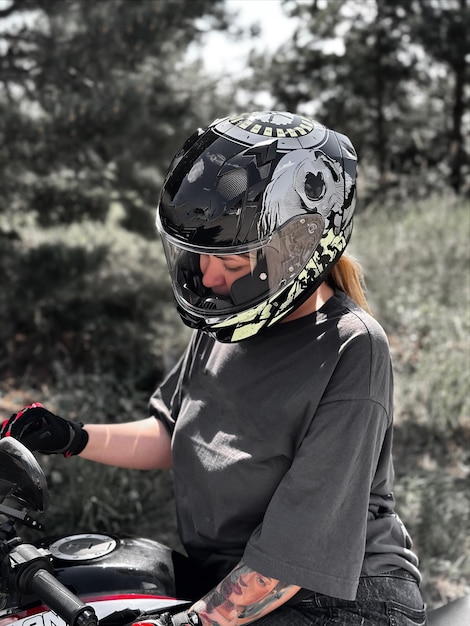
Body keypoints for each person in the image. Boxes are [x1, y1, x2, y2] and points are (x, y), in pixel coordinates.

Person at [0, 111, 427, 626]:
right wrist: (73, 436)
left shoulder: (352, 347)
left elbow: (296, 548)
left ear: (299, 247)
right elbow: (172, 432)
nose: (206, 275)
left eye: (231, 261)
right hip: (230, 577)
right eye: (200, 255)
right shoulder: (228, 322)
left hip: (341, 596)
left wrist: (190, 622)